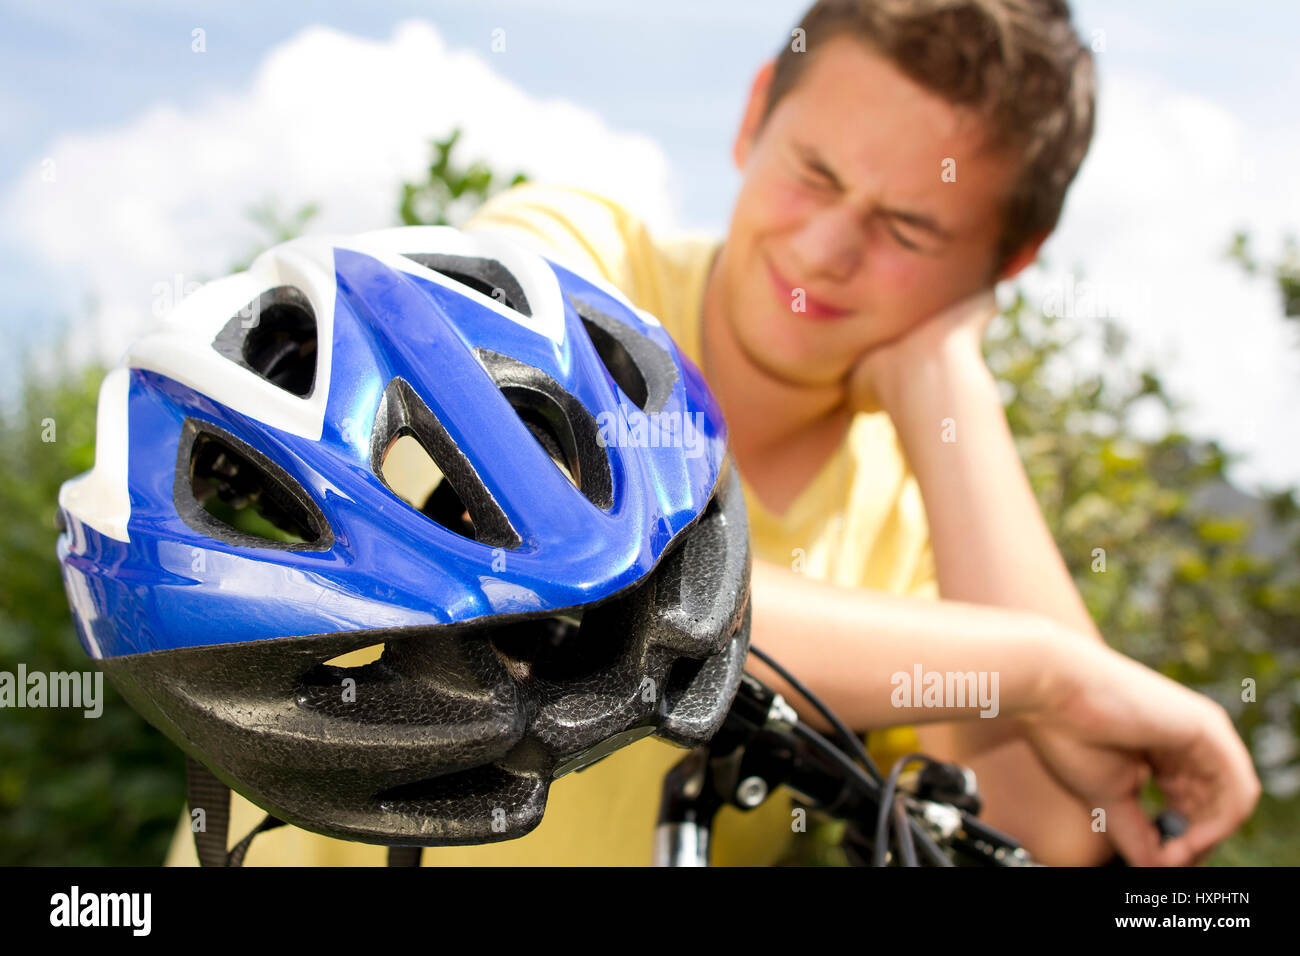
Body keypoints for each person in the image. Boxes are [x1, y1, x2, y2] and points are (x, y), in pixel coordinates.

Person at [166, 0, 1259, 867]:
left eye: (909, 226)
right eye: (814, 172)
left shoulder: (916, 501)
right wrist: (1051, 669)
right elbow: (537, 568)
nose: (825, 247)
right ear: (751, 116)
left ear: (1002, 265)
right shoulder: (571, 262)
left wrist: (951, 386)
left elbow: (1055, 831)